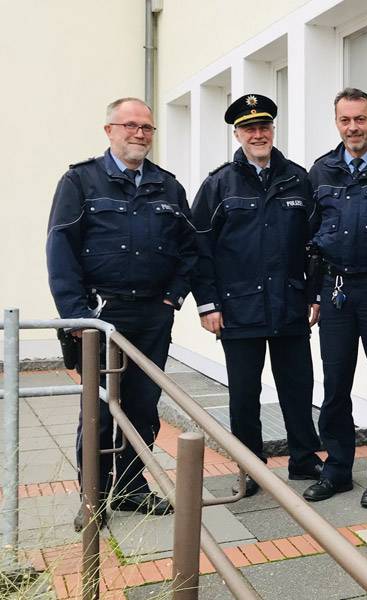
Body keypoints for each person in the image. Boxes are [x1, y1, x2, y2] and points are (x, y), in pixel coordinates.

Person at [46, 97, 196, 530]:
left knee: (143, 407)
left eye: (147, 128)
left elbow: (189, 251)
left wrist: (172, 298)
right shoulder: (80, 181)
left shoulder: (168, 186)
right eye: (130, 126)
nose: (139, 134)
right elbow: (61, 250)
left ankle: (131, 489)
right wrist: (76, 315)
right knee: (96, 409)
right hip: (100, 315)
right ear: (109, 130)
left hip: (152, 315)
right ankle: (92, 498)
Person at [190, 93, 323, 498]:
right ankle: (250, 466)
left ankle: (304, 458)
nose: (258, 134)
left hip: (289, 303)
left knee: (297, 387)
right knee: (245, 394)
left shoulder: (298, 178)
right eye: (250, 128)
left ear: (273, 129)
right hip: (238, 308)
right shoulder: (218, 184)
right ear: (237, 133)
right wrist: (207, 304)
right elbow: (199, 247)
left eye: (264, 126)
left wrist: (313, 294)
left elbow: (315, 243)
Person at [302, 88, 367, 507]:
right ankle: (338, 469)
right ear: (337, 122)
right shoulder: (321, 170)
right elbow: (308, 235)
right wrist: (312, 293)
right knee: (335, 384)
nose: (353, 128)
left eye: (360, 119)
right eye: (345, 120)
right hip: (335, 290)